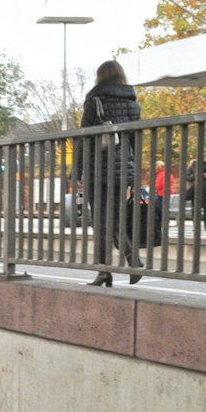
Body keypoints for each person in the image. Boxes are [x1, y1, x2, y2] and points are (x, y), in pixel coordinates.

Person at [75, 60, 146, 287]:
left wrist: (76, 173)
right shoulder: (133, 105)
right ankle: (132, 262)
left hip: (98, 169)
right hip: (124, 170)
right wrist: (135, 178)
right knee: (114, 218)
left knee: (100, 221)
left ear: (100, 77)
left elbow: (83, 139)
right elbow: (135, 142)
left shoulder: (95, 101)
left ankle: (104, 271)